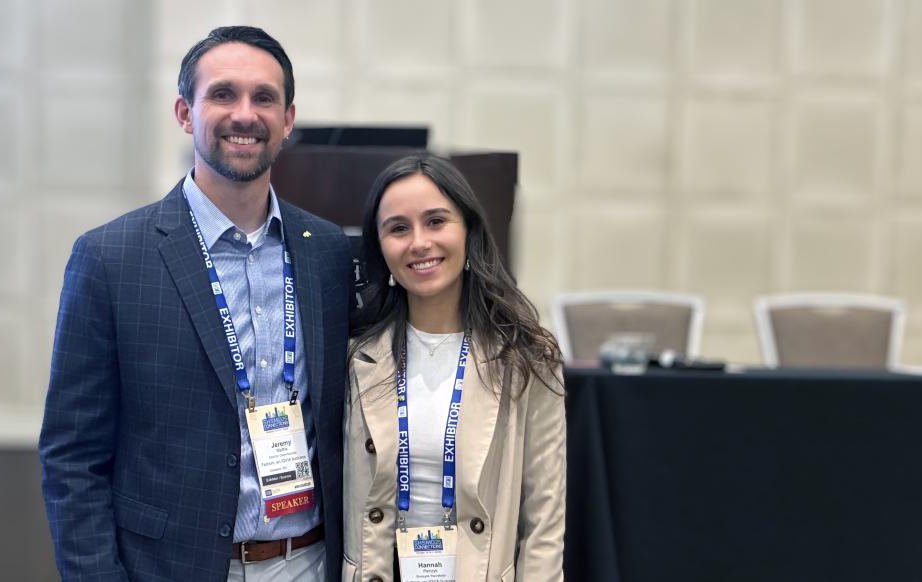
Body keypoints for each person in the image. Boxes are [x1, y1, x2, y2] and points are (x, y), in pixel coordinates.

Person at [39, 26, 350, 582]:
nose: (245, 114)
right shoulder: (110, 258)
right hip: (171, 568)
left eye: (264, 97)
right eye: (223, 94)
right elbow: (72, 456)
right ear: (185, 113)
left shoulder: (327, 251)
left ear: (289, 118)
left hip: (310, 561)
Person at [343, 155, 566, 581]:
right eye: (398, 228)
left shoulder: (528, 358)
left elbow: (544, 521)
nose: (419, 242)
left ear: (469, 232)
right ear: (381, 247)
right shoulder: (356, 357)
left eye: (436, 221)